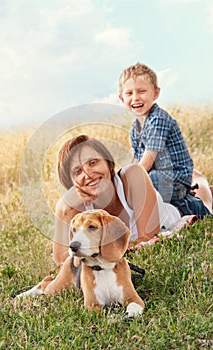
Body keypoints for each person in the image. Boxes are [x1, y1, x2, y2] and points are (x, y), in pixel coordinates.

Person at [53, 134, 185, 266]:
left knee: (201, 197)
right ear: (71, 183)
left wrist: (95, 253)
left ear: (108, 163)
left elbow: (146, 240)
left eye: (93, 163)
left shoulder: (133, 175)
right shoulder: (78, 210)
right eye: (78, 171)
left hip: (180, 208)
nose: (88, 174)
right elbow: (62, 261)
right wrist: (62, 207)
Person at [118, 62, 212, 213]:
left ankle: (195, 206)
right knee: (137, 180)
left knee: (147, 181)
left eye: (141, 91)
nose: (135, 98)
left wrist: (124, 183)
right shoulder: (135, 129)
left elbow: (146, 163)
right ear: (122, 99)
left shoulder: (158, 119)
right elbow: (138, 161)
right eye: (129, 93)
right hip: (160, 176)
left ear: (155, 93)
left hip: (177, 178)